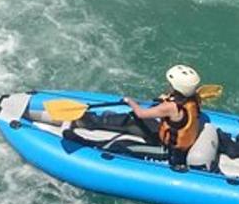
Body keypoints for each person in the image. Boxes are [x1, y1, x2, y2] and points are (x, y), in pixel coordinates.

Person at [71, 64, 204, 167]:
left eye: (170, 84)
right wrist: (165, 98)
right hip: (168, 138)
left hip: (171, 152)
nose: (168, 86)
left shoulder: (170, 107)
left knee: (124, 145)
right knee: (132, 120)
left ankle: (84, 142)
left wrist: (130, 101)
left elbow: (141, 113)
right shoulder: (195, 99)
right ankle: (91, 121)